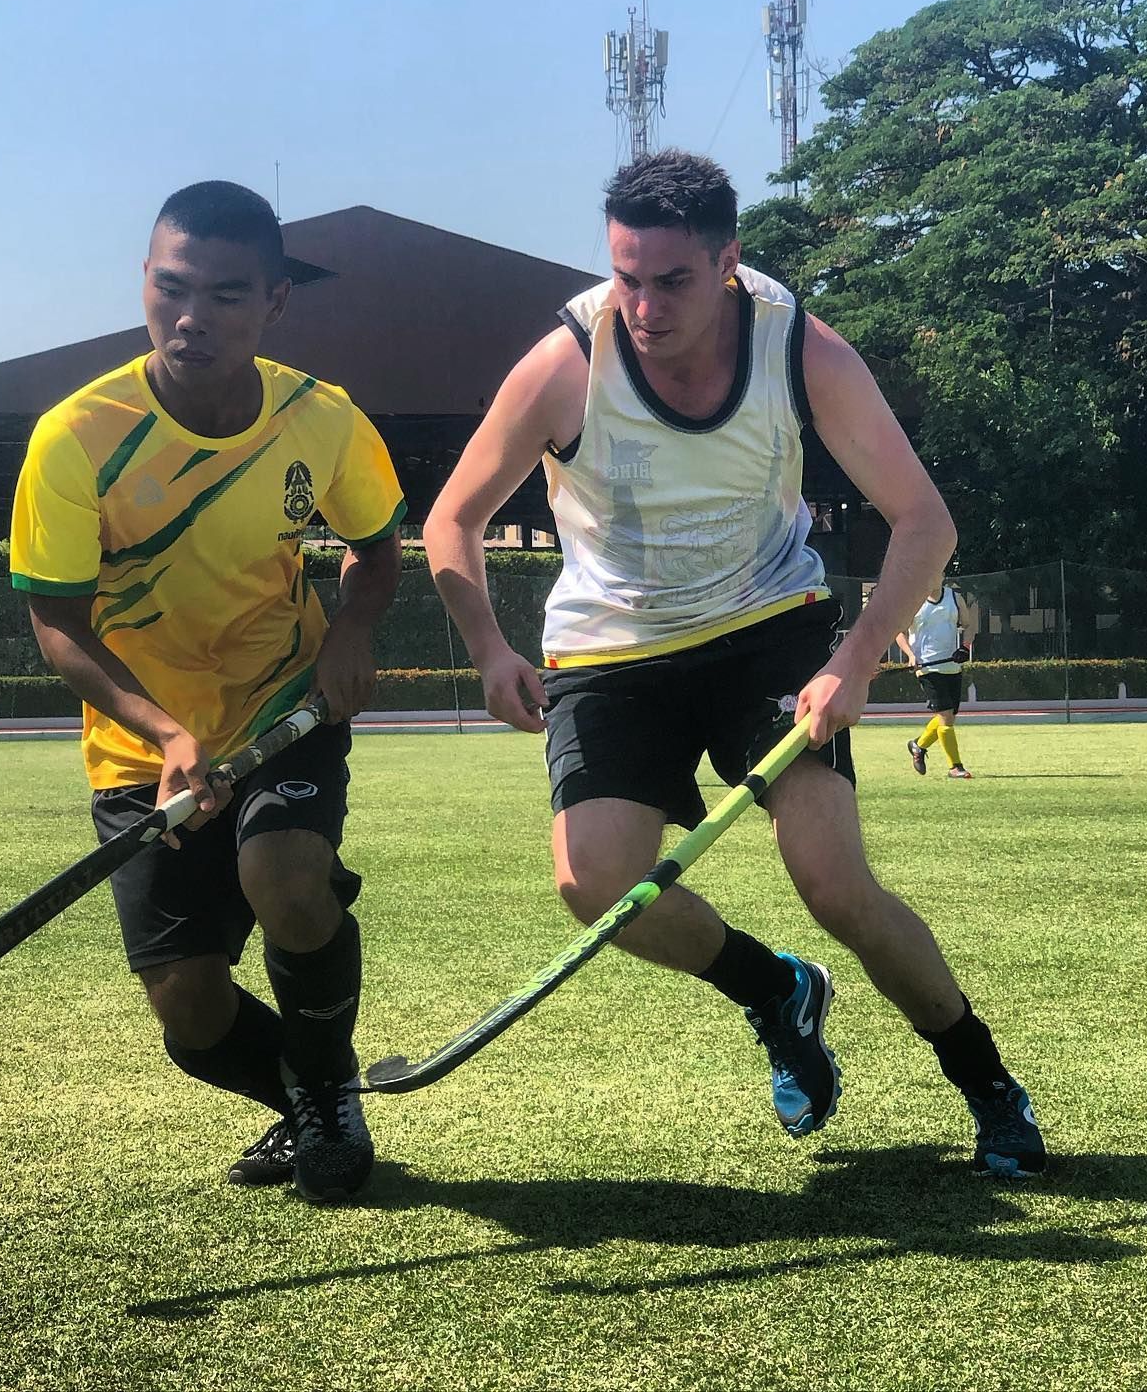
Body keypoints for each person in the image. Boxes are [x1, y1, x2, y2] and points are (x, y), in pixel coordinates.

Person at [423, 149, 1045, 1177]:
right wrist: (489, 649)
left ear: (727, 263)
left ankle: (988, 1085)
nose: (644, 307)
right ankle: (776, 991)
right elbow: (452, 520)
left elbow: (924, 521)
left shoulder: (799, 349)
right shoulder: (565, 363)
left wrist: (855, 661)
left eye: (672, 281)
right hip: (610, 649)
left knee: (835, 884)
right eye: (626, 277)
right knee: (595, 883)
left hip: (768, 627)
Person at [9, 180, 406, 1203]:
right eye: (172, 288)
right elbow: (59, 624)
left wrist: (352, 631)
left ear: (274, 302)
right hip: (144, 749)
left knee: (286, 879)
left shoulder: (321, 418)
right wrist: (165, 732)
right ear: (143, 281)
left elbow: (376, 550)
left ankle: (329, 1091)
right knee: (187, 1009)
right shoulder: (75, 436)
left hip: (284, 711)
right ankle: (304, 1095)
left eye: (227, 295)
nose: (192, 318)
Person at [897, 579, 975, 779]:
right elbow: (899, 632)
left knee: (947, 718)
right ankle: (955, 767)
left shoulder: (955, 598)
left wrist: (965, 647)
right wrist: (910, 655)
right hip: (927, 668)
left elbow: (969, 625)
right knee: (946, 717)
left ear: (942, 575)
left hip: (952, 666)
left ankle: (919, 745)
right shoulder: (913, 600)